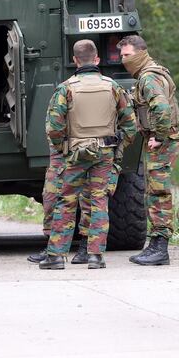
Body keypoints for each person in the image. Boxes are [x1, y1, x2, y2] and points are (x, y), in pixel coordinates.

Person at [40, 39, 136, 270]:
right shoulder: (112, 87)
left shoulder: (65, 88)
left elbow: (53, 128)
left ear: (74, 61)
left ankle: (56, 256)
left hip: (75, 153)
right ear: (97, 60)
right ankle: (95, 256)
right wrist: (118, 148)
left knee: (66, 201)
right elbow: (130, 125)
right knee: (99, 201)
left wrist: (63, 148)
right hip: (105, 152)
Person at [117, 34, 179, 266]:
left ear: (141, 53)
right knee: (153, 191)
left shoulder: (148, 77)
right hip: (161, 139)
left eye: (128, 55)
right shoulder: (151, 73)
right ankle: (155, 243)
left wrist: (159, 136)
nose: (124, 60)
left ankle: (160, 248)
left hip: (163, 141)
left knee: (158, 192)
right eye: (122, 56)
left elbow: (162, 108)